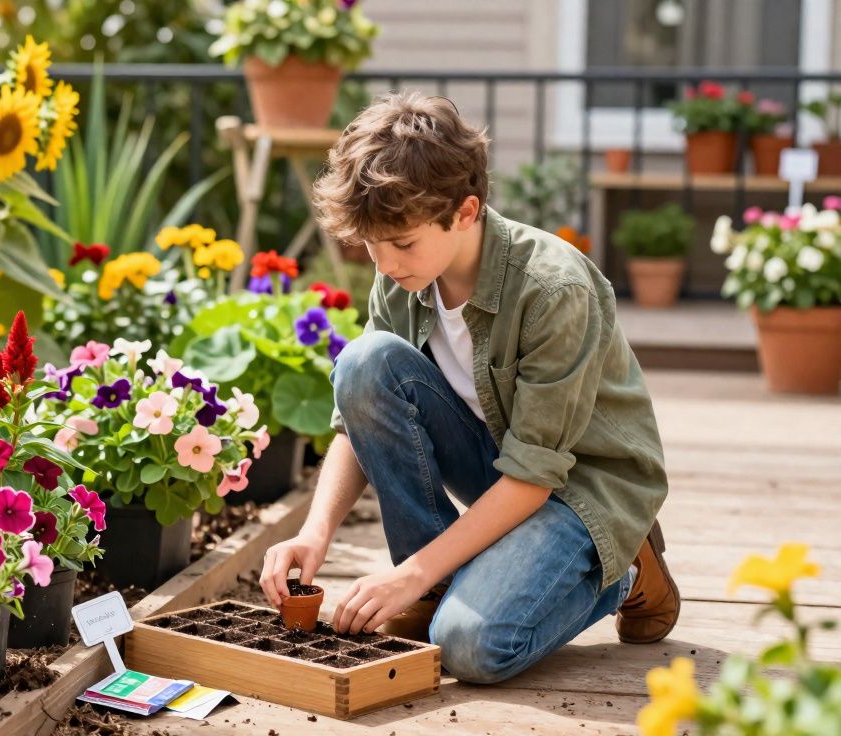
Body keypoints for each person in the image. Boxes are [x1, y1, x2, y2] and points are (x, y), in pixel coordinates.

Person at [258, 92, 679, 684]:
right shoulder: (402, 276)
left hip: (583, 487)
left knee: (470, 647)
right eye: (371, 245)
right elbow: (360, 415)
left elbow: (535, 475)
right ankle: (434, 590)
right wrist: (314, 531)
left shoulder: (552, 289)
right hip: (502, 466)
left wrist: (409, 574)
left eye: (401, 242)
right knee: (364, 361)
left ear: (465, 210)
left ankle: (625, 569)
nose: (383, 263)